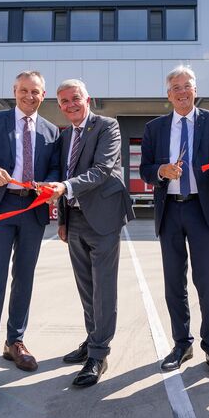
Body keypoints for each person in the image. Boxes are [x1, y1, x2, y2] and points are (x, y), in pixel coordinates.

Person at [0, 70, 60, 413]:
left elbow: (54, 170)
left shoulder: (51, 130)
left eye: (35, 92)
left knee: (24, 280)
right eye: (24, 90)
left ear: (43, 94)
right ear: (14, 91)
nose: (29, 96)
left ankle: (14, 342)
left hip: (33, 211)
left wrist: (48, 185)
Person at [139, 65, 209, 385]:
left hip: (202, 211)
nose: (182, 91)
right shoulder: (155, 128)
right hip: (170, 213)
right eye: (175, 87)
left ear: (195, 90)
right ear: (168, 95)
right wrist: (162, 171)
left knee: (207, 284)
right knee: (173, 285)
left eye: (187, 86)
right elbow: (145, 170)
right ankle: (182, 344)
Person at [46, 79, 134, 387]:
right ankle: (92, 339)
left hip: (104, 219)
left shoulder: (106, 127)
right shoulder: (64, 135)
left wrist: (66, 188)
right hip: (75, 220)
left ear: (88, 99)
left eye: (75, 98)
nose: (70, 104)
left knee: (103, 289)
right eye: (64, 101)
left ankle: (99, 354)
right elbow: (61, 174)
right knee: (86, 288)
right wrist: (61, 220)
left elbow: (102, 169)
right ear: (59, 106)